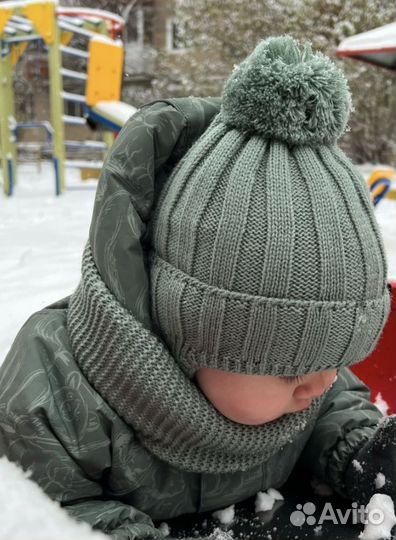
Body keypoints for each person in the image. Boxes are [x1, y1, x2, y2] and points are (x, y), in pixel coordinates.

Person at [0, 36, 394, 540]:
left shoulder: (308, 386)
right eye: (292, 367)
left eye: (335, 356)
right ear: (188, 337)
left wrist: (364, 452)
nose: (322, 383)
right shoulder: (57, 399)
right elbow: (49, 509)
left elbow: (331, 410)